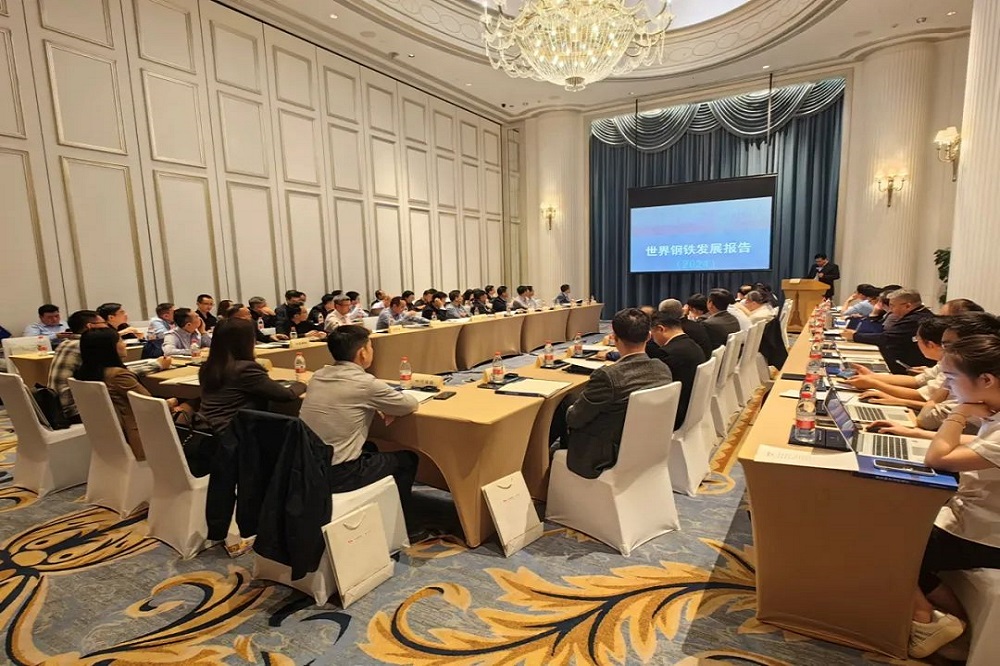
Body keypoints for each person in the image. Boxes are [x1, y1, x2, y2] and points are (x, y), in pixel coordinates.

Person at [902, 334, 1000, 659]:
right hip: (973, 519)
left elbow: (938, 458)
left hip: (984, 536)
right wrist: (916, 432)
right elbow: (976, 447)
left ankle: (928, 619)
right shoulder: (994, 411)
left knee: (886, 541)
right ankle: (948, 622)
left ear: (986, 380)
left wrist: (959, 413)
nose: (947, 384)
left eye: (952, 377)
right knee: (893, 523)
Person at [299, 325, 420, 516]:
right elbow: (409, 404)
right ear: (362, 353)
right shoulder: (365, 384)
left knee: (370, 447)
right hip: (340, 473)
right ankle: (403, 521)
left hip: (307, 466)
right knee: (407, 460)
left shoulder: (318, 376)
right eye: (371, 347)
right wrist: (381, 404)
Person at [551, 308, 673, 478]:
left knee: (567, 405)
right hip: (649, 444)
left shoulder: (607, 376)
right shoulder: (662, 368)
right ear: (648, 336)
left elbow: (574, 419)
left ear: (615, 338)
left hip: (606, 454)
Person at [75, 328, 179, 460]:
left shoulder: (84, 374)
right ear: (109, 348)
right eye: (120, 341)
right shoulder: (118, 375)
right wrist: (174, 401)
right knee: (192, 403)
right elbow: (151, 406)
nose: (124, 344)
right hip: (139, 434)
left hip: (108, 436)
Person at [197, 318, 306, 433]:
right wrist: (303, 383)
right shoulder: (245, 369)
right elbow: (286, 395)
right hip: (234, 433)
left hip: (208, 430)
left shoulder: (208, 367)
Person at [842, 288, 934, 373]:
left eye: (892, 306)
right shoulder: (916, 314)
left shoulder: (916, 319)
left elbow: (887, 338)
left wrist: (855, 336)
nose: (890, 310)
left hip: (908, 367)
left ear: (907, 306)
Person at [47, 310, 113, 422]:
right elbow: (110, 374)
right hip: (74, 410)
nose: (107, 326)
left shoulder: (65, 343)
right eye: (104, 323)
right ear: (90, 326)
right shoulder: (87, 345)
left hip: (55, 407)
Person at [647, 312, 706, 430]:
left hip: (675, 415)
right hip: (692, 407)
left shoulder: (669, 353)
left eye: (652, 335)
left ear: (660, 329)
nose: (653, 339)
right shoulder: (692, 345)